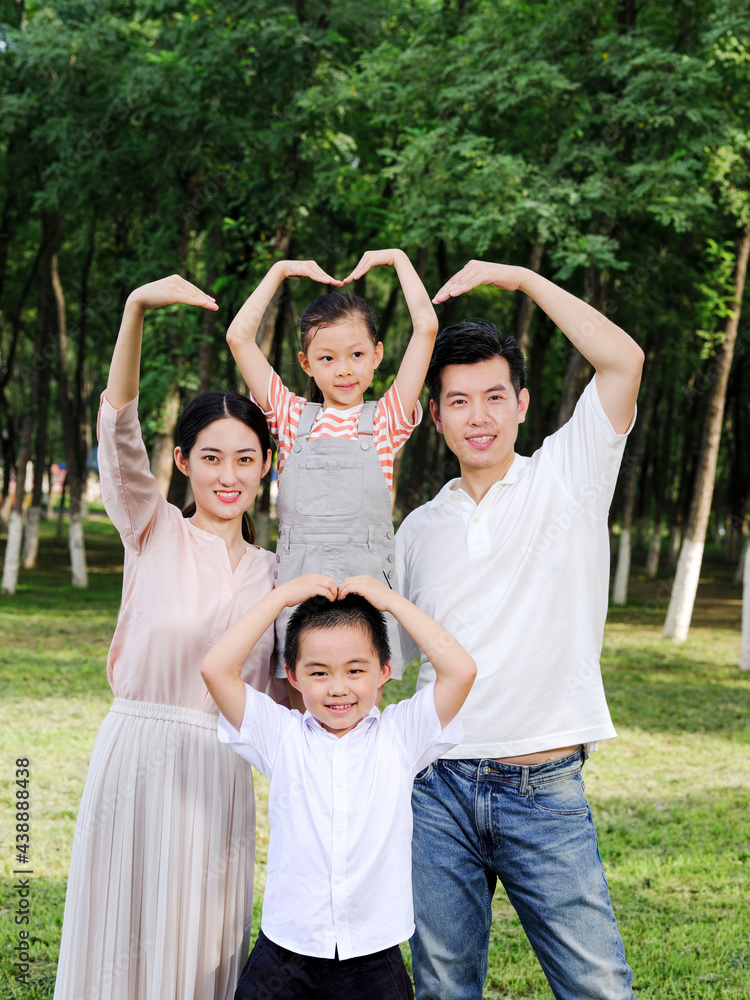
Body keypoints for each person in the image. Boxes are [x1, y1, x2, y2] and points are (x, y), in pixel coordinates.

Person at [395, 260, 645, 1000]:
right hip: (436, 788)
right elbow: (393, 663)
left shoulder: (569, 476)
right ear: (434, 416)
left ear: (522, 404)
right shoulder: (415, 530)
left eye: (494, 398)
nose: (479, 416)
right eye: (459, 401)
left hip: (545, 789)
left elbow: (623, 359)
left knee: (598, 986)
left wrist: (524, 280)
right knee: (442, 987)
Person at [54, 276, 277, 1000]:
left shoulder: (279, 577)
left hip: (218, 781)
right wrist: (134, 311)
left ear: (266, 468)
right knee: (121, 941)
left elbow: (287, 698)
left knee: (199, 954)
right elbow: (118, 426)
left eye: (245, 458)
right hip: (138, 760)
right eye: (210, 456)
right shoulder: (153, 530)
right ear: (181, 461)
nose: (228, 474)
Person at [201, 572, 476, 1000]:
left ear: (384, 671)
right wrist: (280, 600)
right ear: (292, 676)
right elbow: (216, 669)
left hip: (373, 951)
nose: (338, 688)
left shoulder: (400, 737)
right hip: (287, 949)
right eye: (319, 672)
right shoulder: (282, 737)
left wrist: (391, 603)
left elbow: (460, 670)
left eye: (355, 670)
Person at [225, 251, 438, 707]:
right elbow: (239, 336)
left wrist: (400, 261)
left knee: (357, 716)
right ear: (306, 363)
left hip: (365, 602)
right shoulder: (289, 417)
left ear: (377, 355)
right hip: (298, 598)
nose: (343, 369)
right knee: (301, 723)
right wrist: (279, 271)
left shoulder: (385, 420)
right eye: (327, 358)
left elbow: (426, 328)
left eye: (357, 354)